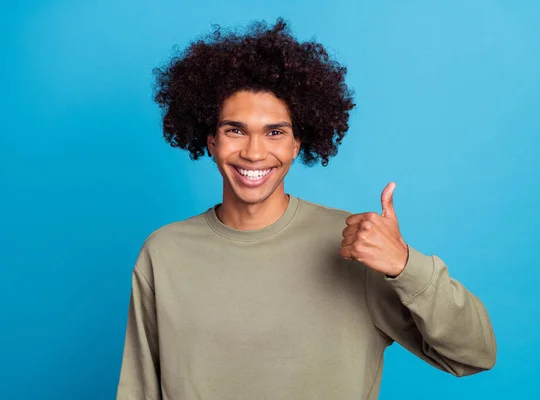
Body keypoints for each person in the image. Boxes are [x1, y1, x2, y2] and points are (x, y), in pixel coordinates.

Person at [116, 18, 496, 400]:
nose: (253, 151)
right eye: (235, 130)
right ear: (211, 140)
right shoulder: (165, 253)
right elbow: (138, 390)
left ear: (298, 144)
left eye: (275, 132)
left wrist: (405, 265)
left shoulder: (355, 247)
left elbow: (475, 354)